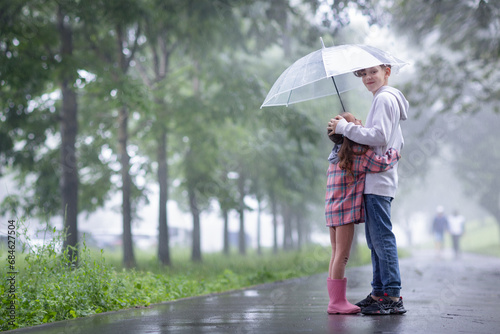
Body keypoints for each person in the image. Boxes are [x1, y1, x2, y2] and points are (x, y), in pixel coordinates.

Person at [327, 64, 409, 315]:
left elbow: (379, 136)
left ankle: (392, 295)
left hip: (377, 182)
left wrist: (345, 128)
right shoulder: (384, 99)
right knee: (376, 241)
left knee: (381, 239)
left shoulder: (384, 98)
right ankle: (379, 292)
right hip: (376, 181)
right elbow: (396, 139)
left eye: (372, 72)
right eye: (363, 74)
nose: (367, 78)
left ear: (387, 71)